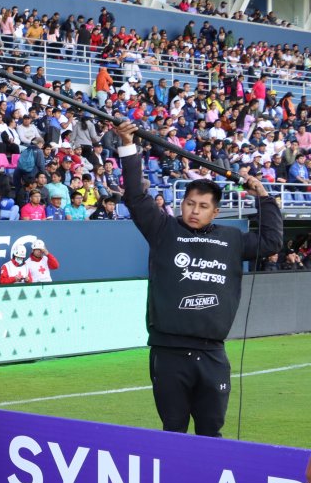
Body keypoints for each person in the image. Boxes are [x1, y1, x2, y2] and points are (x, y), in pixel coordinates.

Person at [116, 121, 282, 437]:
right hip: (168, 352)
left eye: (203, 206)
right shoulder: (164, 230)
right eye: (190, 203)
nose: (194, 211)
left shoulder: (233, 239)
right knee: (174, 430)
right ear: (182, 204)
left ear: (215, 212)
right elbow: (136, 198)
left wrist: (263, 196)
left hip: (212, 354)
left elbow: (272, 242)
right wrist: (127, 144)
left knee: (211, 432)